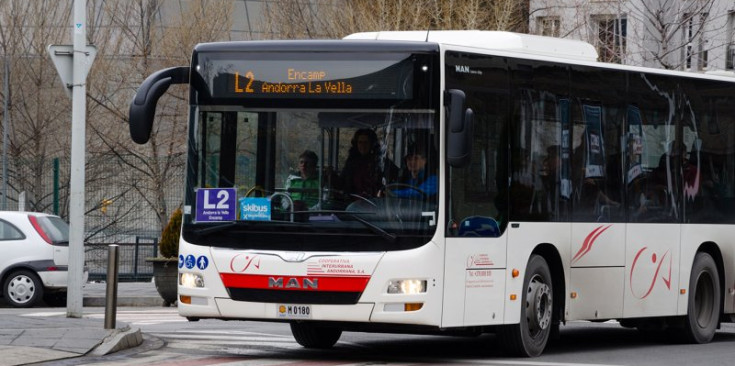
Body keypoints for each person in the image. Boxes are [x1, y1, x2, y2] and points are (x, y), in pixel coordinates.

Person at [340, 129, 397, 198]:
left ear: (372, 144)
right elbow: (342, 182)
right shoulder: (351, 162)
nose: (363, 146)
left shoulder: (381, 161)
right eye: (360, 142)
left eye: (366, 142)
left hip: (375, 203)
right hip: (353, 202)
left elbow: (395, 180)